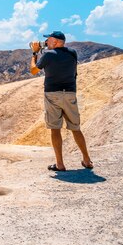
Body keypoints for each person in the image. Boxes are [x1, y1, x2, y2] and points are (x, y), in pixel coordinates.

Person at [30, 31, 93, 171]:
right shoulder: (72, 53)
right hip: (70, 93)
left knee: (55, 128)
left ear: (57, 41)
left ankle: (60, 164)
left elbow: (34, 70)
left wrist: (34, 53)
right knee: (75, 128)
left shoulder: (48, 55)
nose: (46, 42)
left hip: (53, 94)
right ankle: (87, 160)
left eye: (48, 40)